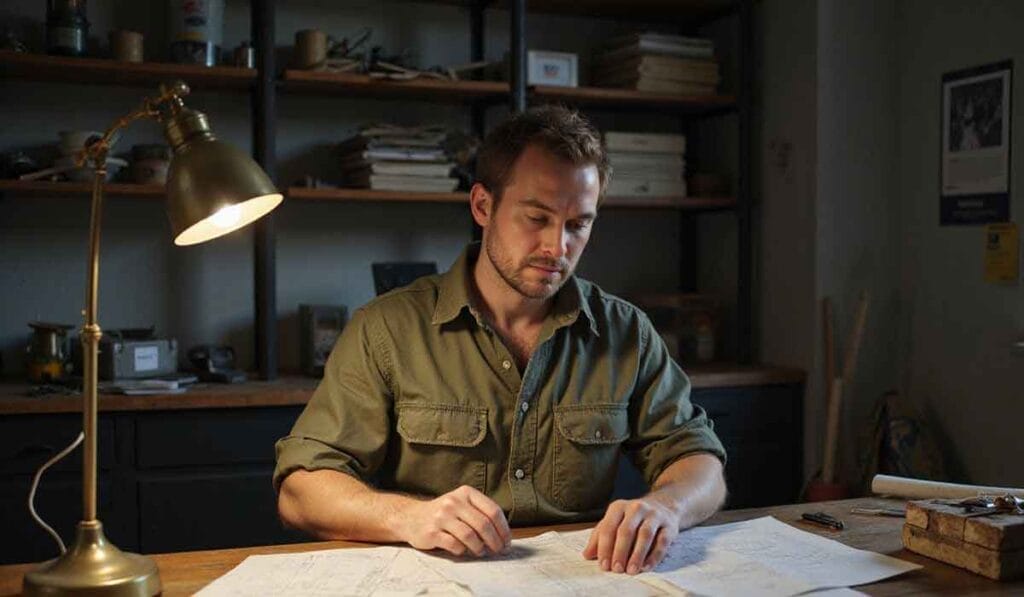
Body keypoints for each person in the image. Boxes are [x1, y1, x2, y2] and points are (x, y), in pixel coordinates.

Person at [274, 105, 727, 576]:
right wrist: (410, 517)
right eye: (537, 218)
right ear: (483, 206)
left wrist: (666, 508)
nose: (557, 248)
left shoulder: (626, 332)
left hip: (581, 582)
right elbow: (300, 490)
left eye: (578, 225)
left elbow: (699, 461)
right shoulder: (385, 329)